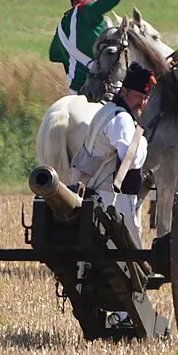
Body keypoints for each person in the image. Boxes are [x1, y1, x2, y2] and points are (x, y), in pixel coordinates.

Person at [70, 61, 154, 236]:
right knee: (131, 254)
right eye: (139, 96)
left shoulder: (107, 110)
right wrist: (144, 142)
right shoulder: (122, 119)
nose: (143, 102)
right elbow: (132, 160)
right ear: (124, 92)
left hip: (88, 188)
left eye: (146, 98)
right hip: (111, 196)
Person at [49, 0, 146, 98]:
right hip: (96, 88)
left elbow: (54, 55)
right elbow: (103, 4)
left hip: (73, 93)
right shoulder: (86, 10)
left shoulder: (62, 25)